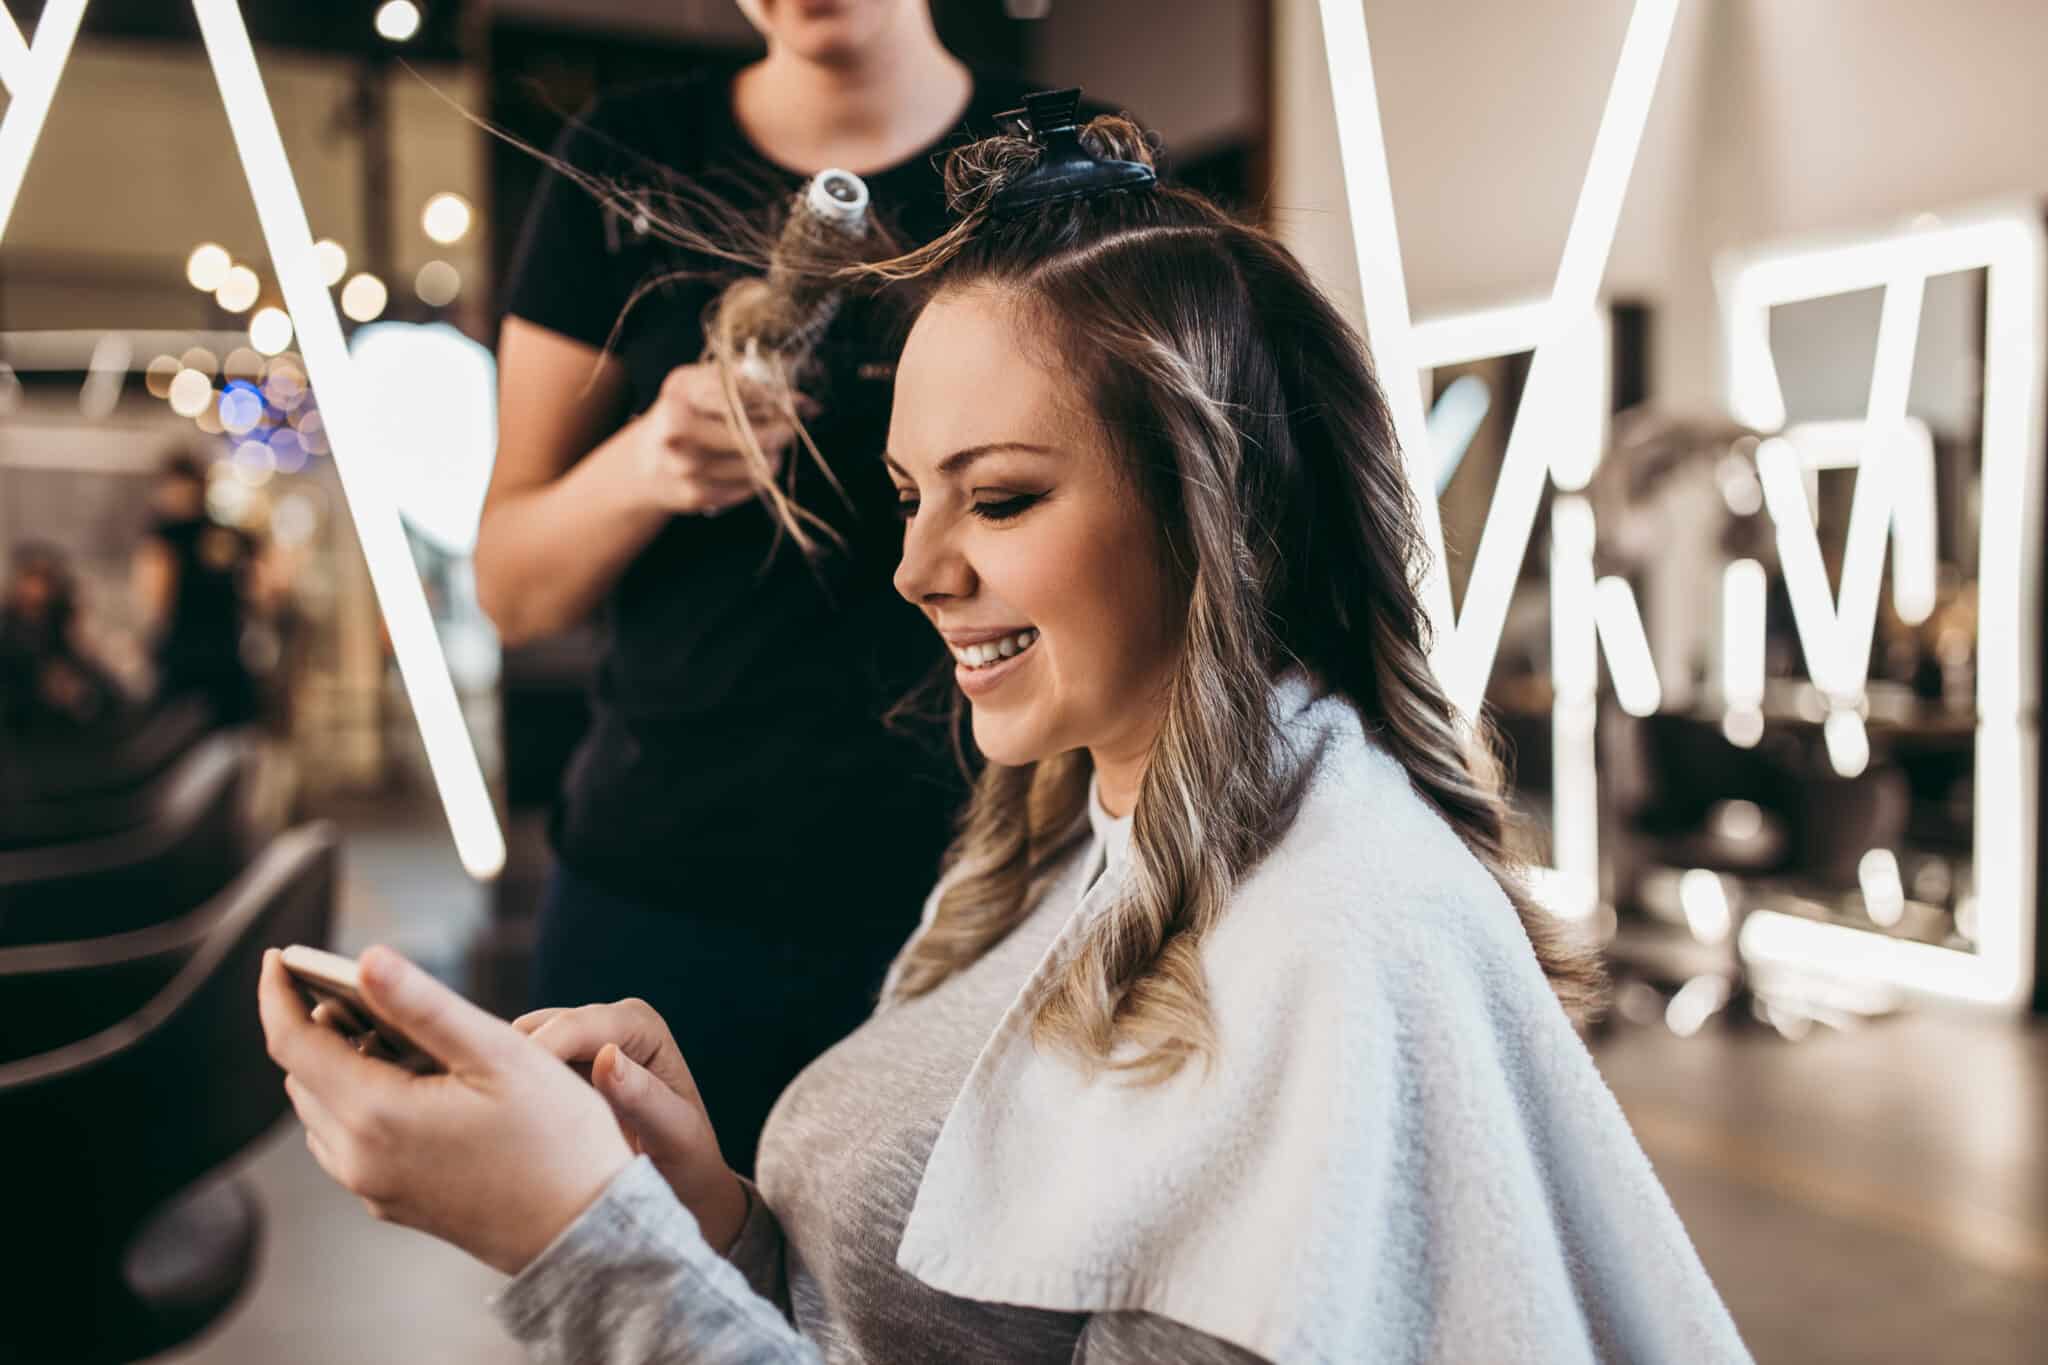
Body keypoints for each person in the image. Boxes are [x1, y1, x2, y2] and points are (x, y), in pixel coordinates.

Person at [260, 106, 1751, 1363]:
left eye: (1004, 496)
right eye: (911, 495)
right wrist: (695, 1208)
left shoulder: (1337, 953)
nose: (916, 572)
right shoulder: (1066, 841)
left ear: (1219, 509)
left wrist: (579, 1243)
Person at [482, 0, 1122, 1177]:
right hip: (662, 885)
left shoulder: (1053, 174)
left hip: (989, 888)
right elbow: (515, 590)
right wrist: (644, 465)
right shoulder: (622, 163)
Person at [132, 452, 260, 727]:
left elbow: (154, 601)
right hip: (227, 658)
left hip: (185, 659)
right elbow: (257, 590)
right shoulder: (229, 535)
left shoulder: (164, 538)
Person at [0, 542, 124, 740]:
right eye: (33, 577)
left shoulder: (60, 620)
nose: (38, 588)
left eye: (46, 579)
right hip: (23, 710)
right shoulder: (9, 625)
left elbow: (79, 655)